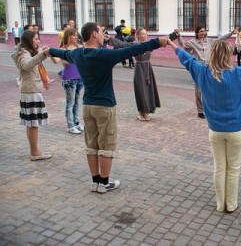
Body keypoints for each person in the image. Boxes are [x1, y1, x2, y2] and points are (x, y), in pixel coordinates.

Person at [167, 37, 241, 213]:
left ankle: (219, 204)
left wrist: (173, 45)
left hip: (215, 130)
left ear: (213, 54)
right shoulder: (238, 74)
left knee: (219, 167)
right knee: (233, 168)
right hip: (235, 130)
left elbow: (188, 60)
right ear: (228, 56)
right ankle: (230, 205)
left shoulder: (203, 73)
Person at [45, 22, 168, 193]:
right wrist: (156, 42)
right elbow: (131, 51)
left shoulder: (78, 53)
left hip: (87, 106)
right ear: (94, 34)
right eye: (102, 32)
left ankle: (95, 181)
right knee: (106, 146)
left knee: (91, 145)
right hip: (104, 107)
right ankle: (104, 183)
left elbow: (61, 52)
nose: (104, 35)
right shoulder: (103, 55)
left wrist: (48, 51)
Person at [175, 26, 238, 118]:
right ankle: (200, 110)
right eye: (201, 31)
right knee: (198, 90)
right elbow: (183, 44)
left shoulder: (209, 41)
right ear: (197, 32)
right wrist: (179, 35)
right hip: (199, 68)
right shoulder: (192, 42)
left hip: (209, 67)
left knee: (210, 89)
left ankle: (210, 108)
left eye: (204, 31)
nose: (203, 33)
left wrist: (231, 33)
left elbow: (221, 39)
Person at [11, 30, 52, 161]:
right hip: (30, 91)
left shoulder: (24, 51)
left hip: (30, 90)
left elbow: (31, 59)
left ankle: (34, 151)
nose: (38, 41)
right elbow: (27, 65)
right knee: (33, 124)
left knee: (31, 124)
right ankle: (35, 152)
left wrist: (41, 51)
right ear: (29, 40)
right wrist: (42, 55)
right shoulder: (23, 52)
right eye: (35, 39)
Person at [106, 28, 160, 121]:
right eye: (143, 34)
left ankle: (147, 111)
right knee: (141, 90)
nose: (145, 35)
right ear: (138, 36)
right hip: (140, 69)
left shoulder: (149, 45)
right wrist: (109, 39)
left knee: (149, 90)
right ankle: (142, 112)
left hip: (148, 68)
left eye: (146, 34)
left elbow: (161, 42)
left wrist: (174, 35)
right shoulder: (134, 45)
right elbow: (122, 44)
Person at [50, 27, 85, 134]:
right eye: (73, 35)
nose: (75, 37)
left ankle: (77, 122)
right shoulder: (63, 49)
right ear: (68, 36)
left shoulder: (80, 47)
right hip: (69, 80)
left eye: (76, 35)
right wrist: (50, 52)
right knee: (70, 103)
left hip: (80, 78)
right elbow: (55, 60)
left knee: (77, 103)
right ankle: (70, 125)